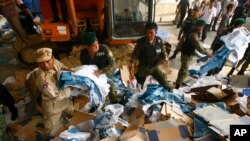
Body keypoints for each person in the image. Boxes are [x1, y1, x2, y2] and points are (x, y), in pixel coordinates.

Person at [35, 48, 74, 138]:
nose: (45, 65)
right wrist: (70, 89)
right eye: (41, 63)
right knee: (50, 131)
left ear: (52, 58)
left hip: (65, 99)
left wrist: (68, 71)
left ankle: (66, 120)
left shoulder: (55, 62)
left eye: (48, 61)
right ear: (38, 63)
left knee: (70, 114)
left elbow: (61, 66)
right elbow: (55, 95)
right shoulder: (43, 79)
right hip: (53, 105)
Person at [130, 22, 173, 92]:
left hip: (155, 66)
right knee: (139, 86)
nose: (149, 35)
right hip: (144, 67)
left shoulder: (159, 41)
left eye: (151, 33)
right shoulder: (141, 42)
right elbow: (135, 54)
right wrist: (132, 64)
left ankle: (170, 93)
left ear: (156, 32)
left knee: (165, 82)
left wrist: (165, 56)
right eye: (147, 32)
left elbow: (163, 50)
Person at [79, 32, 119, 103]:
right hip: (93, 72)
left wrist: (100, 72)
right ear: (87, 47)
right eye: (93, 45)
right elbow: (84, 66)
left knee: (109, 83)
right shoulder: (83, 54)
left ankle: (113, 99)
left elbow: (113, 64)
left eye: (97, 43)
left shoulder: (104, 49)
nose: (97, 46)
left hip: (106, 70)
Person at [175, 19, 212, 89]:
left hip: (189, 53)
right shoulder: (193, 34)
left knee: (184, 69)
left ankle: (179, 81)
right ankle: (177, 85)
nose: (202, 28)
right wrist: (207, 53)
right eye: (201, 27)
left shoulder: (192, 31)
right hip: (186, 54)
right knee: (184, 70)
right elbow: (197, 46)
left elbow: (182, 41)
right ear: (198, 26)